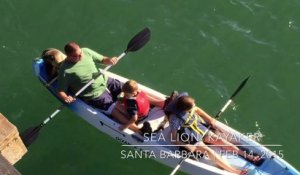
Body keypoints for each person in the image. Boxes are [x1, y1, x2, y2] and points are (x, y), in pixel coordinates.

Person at [165, 93, 261, 174]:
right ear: (185, 110)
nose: (195, 105)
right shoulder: (174, 119)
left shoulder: (191, 106)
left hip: (199, 129)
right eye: (193, 104)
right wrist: (188, 146)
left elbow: (197, 110)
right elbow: (175, 139)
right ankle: (235, 171)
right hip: (189, 137)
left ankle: (248, 156)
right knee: (209, 152)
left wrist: (210, 119)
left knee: (220, 140)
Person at [57, 42, 124, 120]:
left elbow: (103, 59)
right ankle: (136, 128)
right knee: (114, 109)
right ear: (69, 56)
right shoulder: (65, 70)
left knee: (128, 88)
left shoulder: (86, 51)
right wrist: (66, 98)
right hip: (95, 94)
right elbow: (61, 91)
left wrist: (110, 60)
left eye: (80, 53)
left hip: (105, 80)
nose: (81, 56)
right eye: (77, 56)